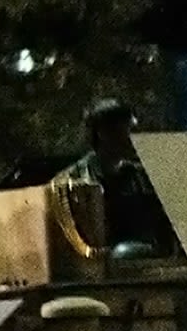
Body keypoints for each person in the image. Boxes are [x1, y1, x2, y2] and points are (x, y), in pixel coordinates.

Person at [53, 99, 176, 259]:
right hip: (100, 264)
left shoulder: (143, 177)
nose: (135, 138)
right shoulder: (72, 181)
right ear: (104, 133)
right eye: (129, 130)